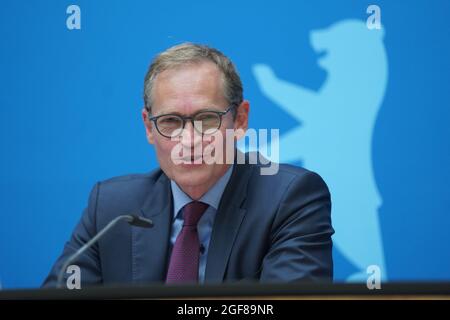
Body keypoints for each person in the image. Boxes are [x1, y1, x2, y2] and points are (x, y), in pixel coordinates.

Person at [43, 43, 334, 287]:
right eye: (170, 121)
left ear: (241, 120)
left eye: (207, 118)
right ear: (148, 127)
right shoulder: (112, 208)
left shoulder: (290, 199)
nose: (189, 140)